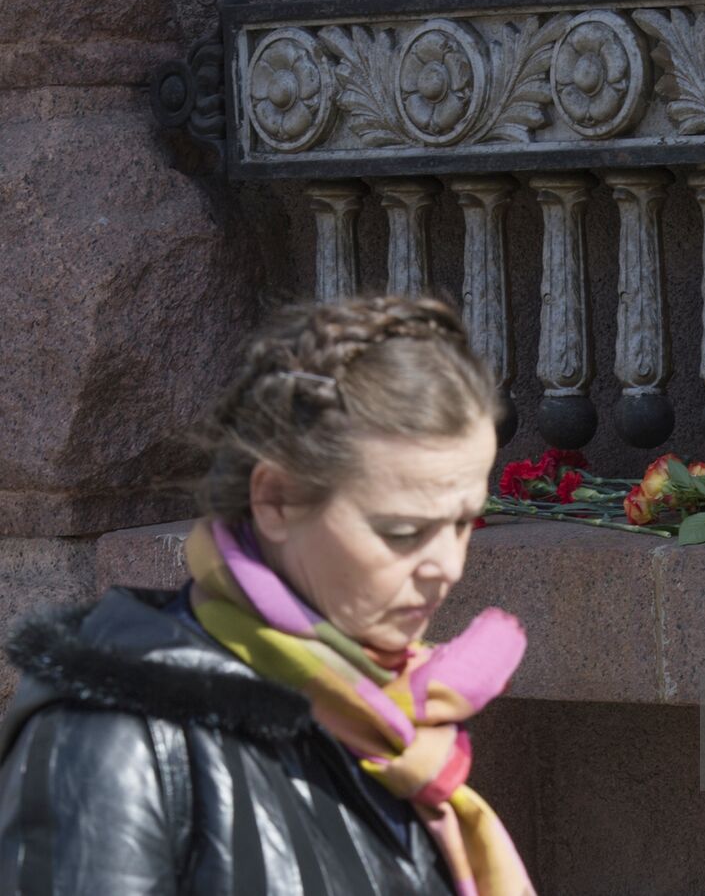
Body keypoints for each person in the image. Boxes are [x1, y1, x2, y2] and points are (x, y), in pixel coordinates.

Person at [0, 295, 537, 895]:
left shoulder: (389, 723)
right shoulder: (112, 738)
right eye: (403, 531)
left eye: (464, 522)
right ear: (275, 501)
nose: (447, 566)